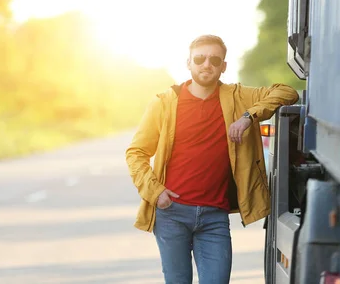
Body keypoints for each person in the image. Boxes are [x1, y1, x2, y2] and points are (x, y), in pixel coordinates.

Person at [125, 34, 299, 284]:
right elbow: (136, 152)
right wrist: (155, 192)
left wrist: (248, 116)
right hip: (171, 214)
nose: (207, 64)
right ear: (189, 63)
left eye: (214, 59)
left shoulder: (237, 97)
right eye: (200, 58)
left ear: (223, 66)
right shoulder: (164, 103)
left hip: (214, 217)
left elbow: (286, 91)